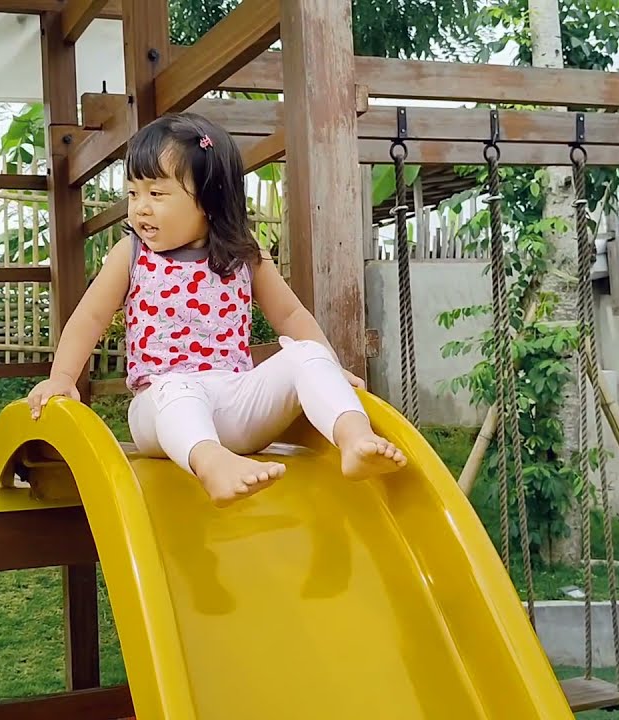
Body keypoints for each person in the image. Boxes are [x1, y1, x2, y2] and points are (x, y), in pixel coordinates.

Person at [26, 112, 406, 506]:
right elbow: (90, 317)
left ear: (209, 198)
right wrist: (63, 377)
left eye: (156, 194)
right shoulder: (132, 254)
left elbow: (291, 315)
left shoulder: (245, 254)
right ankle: (212, 465)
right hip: (161, 406)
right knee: (178, 389)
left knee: (306, 352)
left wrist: (326, 367)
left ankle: (354, 438)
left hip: (235, 403)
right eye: (134, 193)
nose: (140, 208)